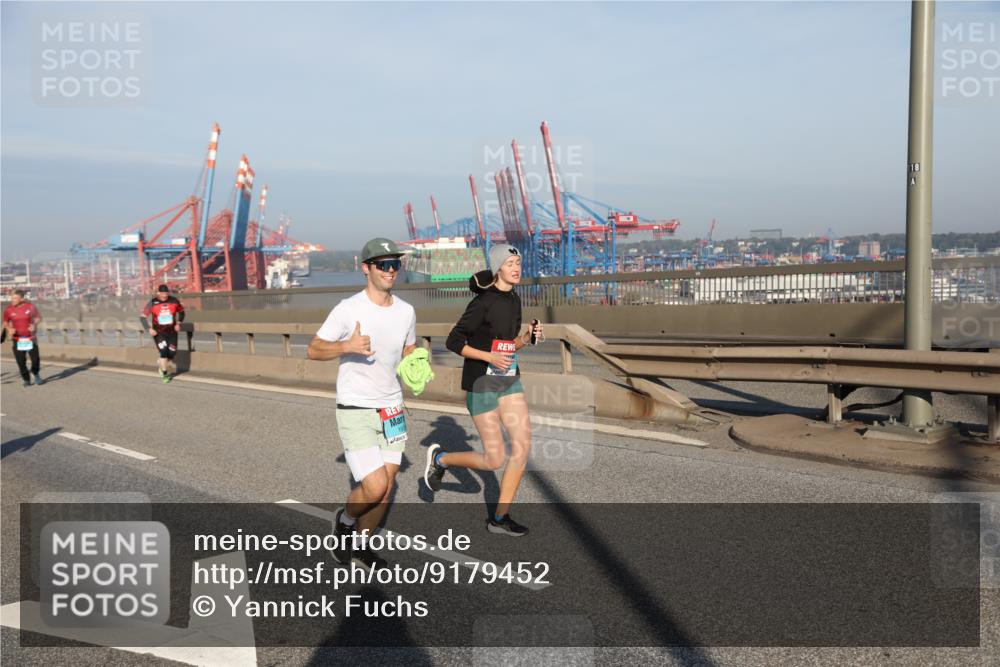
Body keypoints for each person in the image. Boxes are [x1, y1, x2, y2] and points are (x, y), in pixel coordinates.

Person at [307, 237, 417, 571]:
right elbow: (313, 350)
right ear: (366, 269)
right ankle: (343, 521)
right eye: (383, 265)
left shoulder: (406, 311)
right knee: (374, 485)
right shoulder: (348, 309)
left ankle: (360, 546)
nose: (390, 270)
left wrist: (417, 365)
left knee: (386, 490)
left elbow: (408, 350)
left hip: (393, 409)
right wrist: (347, 347)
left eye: (395, 264)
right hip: (356, 407)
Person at [423, 244, 543, 536]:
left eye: (519, 262)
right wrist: (488, 357)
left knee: (523, 447)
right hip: (482, 384)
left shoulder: (514, 299)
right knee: (494, 459)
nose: (516, 268)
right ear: (498, 267)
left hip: (509, 380)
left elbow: (507, 345)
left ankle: (499, 518)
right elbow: (453, 341)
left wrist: (527, 337)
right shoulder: (483, 302)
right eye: (511, 263)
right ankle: (440, 460)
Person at [142, 284, 185, 383]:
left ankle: (162, 362)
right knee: (164, 351)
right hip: (159, 332)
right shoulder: (153, 303)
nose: (164, 295)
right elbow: (142, 317)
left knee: (172, 353)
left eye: (166, 293)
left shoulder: (174, 301)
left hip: (172, 331)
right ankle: (164, 373)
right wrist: (149, 329)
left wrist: (178, 323)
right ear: (158, 293)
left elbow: (182, 312)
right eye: (162, 293)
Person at [3, 289, 43, 387]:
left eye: (15, 298)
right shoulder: (8, 310)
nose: (12, 300)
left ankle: (35, 372)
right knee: (21, 362)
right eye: (12, 298)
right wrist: (9, 328)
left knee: (35, 360)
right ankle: (26, 380)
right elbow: (5, 322)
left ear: (21, 299)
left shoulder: (30, 307)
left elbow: (38, 317)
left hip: (30, 338)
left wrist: (34, 324)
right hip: (18, 339)